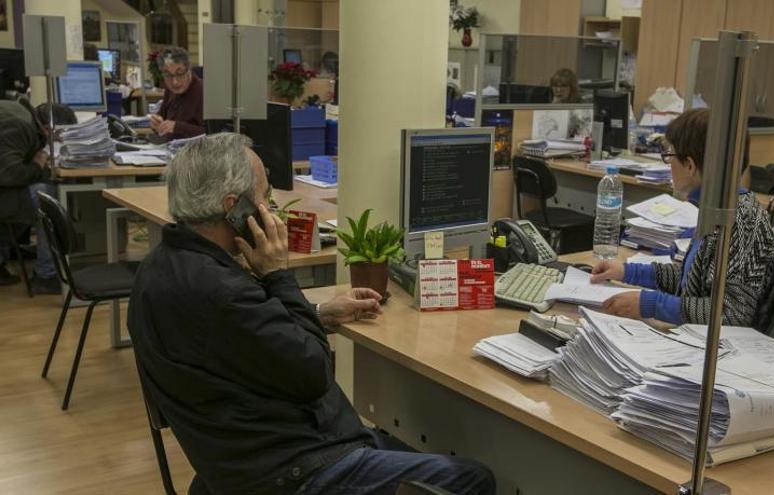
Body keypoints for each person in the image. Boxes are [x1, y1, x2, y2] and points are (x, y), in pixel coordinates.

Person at [128, 133, 495, 495]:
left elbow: (245, 337)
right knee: (469, 478)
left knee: (397, 444)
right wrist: (278, 274)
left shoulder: (159, 268)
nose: (269, 208)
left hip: (233, 460)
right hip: (292, 470)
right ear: (233, 208)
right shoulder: (222, 290)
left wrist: (317, 311)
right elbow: (314, 371)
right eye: (264, 196)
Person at [592, 108, 774, 326]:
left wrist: (651, 304)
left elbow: (732, 313)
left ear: (689, 165)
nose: (668, 164)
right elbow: (690, 280)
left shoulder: (742, 221)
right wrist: (628, 272)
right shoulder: (716, 209)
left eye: (670, 156)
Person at [0, 99, 72, 294]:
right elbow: (10, 174)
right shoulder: (18, 126)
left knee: (36, 191)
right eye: (59, 137)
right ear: (49, 128)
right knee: (46, 194)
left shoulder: (20, 114)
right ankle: (46, 274)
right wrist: (39, 165)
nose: (59, 142)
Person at [149, 47, 204, 140]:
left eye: (180, 73)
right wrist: (156, 124)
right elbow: (161, 119)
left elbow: (214, 134)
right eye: (168, 75)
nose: (175, 82)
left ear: (188, 69)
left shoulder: (203, 92)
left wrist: (177, 127)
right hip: (170, 149)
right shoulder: (170, 90)